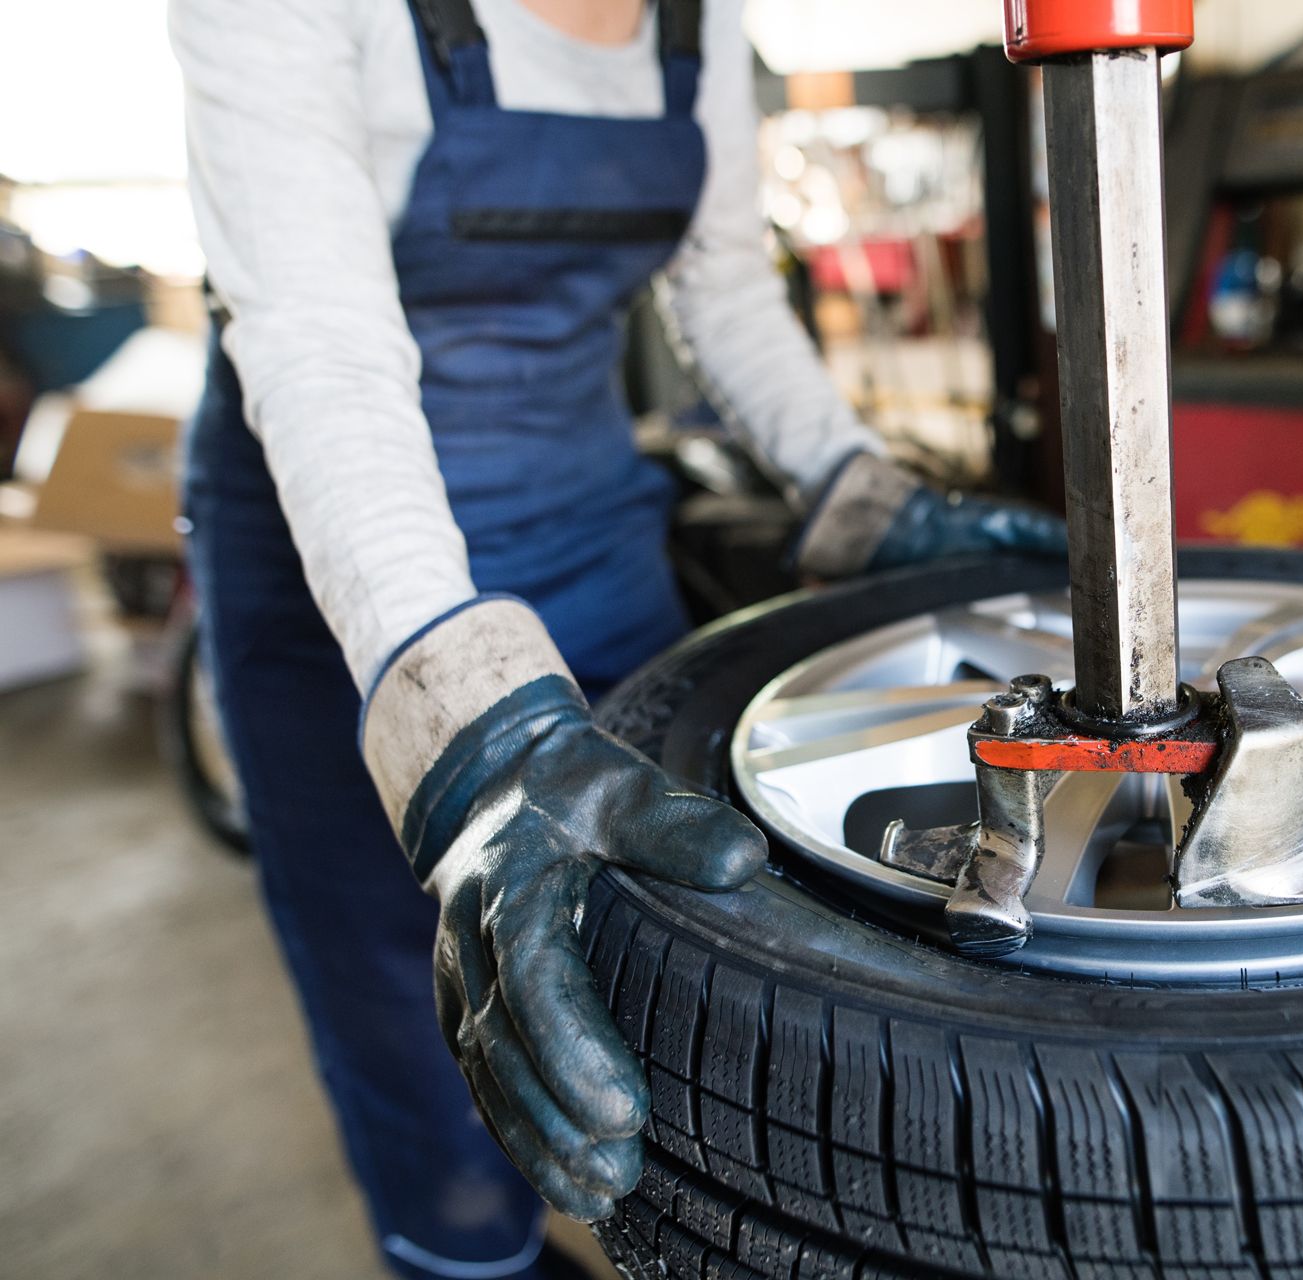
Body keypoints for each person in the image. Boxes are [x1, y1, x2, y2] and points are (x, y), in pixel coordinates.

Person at [168, 0, 1064, 1275]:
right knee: (423, 1004)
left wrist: (857, 483)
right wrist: (469, 742)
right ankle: (465, 1255)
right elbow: (319, 345)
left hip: (591, 536)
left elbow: (727, 292)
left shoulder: (697, 16)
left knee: (680, 942)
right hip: (347, 587)